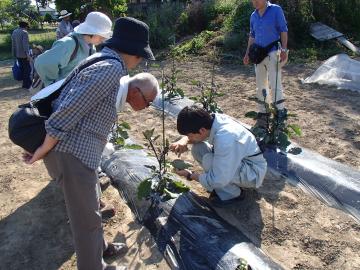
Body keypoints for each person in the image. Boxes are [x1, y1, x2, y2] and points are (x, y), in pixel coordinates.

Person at [23, 17, 156, 270]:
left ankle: (102, 249)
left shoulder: (101, 60)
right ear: (132, 52)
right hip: (71, 153)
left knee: (91, 208)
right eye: (140, 55)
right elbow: (67, 111)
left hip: (79, 153)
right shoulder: (110, 69)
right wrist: (42, 148)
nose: (139, 61)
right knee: (86, 221)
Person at [170, 106, 267, 207]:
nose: (189, 138)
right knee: (198, 148)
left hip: (253, 173)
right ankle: (226, 187)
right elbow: (198, 138)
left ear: (201, 130)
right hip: (241, 162)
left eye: (189, 135)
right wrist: (184, 140)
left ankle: (233, 194)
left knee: (209, 161)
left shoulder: (225, 139)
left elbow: (218, 179)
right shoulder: (213, 121)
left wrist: (189, 175)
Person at [35, 11, 112, 87]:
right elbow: (42, 63)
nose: (103, 40)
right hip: (59, 92)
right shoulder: (69, 43)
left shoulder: (91, 45)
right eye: (102, 36)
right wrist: (54, 84)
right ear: (91, 32)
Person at [243, 0, 289, 127]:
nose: (255, 2)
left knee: (275, 84)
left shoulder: (276, 10)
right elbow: (252, 36)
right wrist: (247, 54)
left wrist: (284, 49)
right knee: (260, 84)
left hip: (273, 53)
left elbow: (283, 30)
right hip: (258, 55)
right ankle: (264, 112)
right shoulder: (253, 16)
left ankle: (279, 112)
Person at [11, 21, 32, 89]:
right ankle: (27, 84)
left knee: (23, 69)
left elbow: (13, 44)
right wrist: (28, 55)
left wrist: (14, 53)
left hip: (17, 54)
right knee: (27, 69)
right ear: (25, 26)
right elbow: (25, 45)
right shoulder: (24, 32)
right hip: (24, 55)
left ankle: (24, 84)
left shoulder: (14, 31)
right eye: (27, 27)